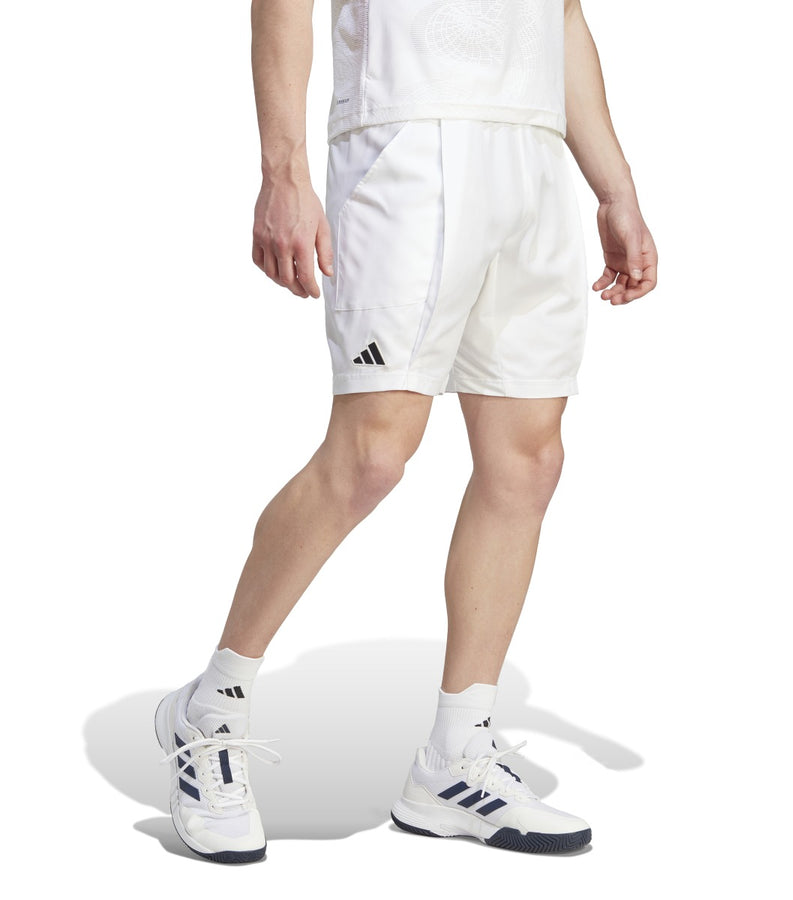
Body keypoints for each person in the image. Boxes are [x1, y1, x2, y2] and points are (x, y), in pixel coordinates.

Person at [155, 0, 657, 862]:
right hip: (404, 137)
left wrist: (615, 188)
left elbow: (564, 16)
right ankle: (211, 708)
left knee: (529, 462)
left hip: (533, 148)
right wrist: (283, 167)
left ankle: (454, 758)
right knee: (372, 454)